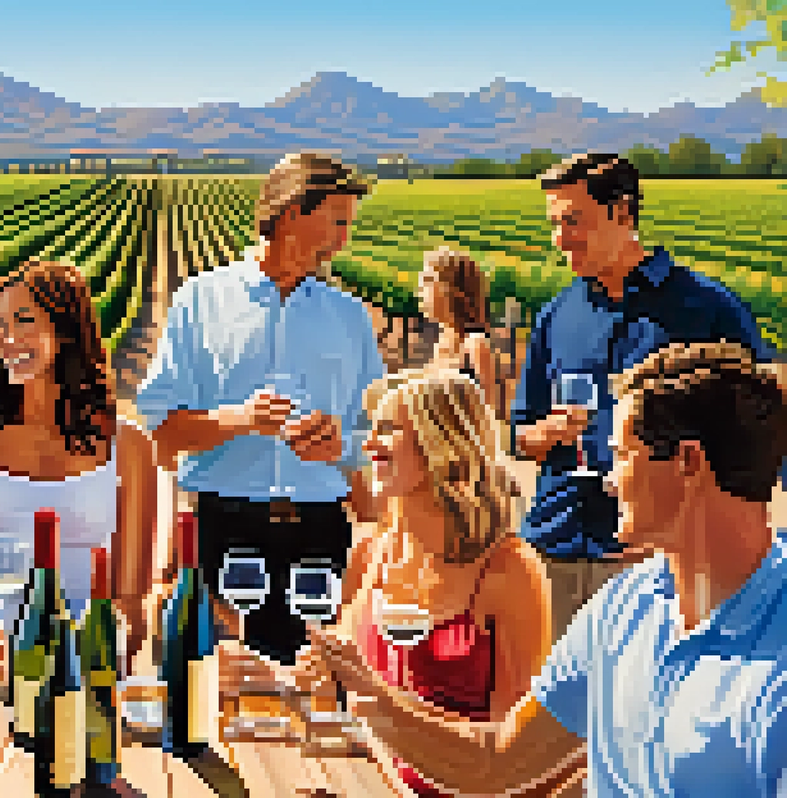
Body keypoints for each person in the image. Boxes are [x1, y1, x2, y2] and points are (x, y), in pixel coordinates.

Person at [310, 341, 787, 796]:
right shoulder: (623, 606)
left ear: (688, 462)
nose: (608, 479)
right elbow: (498, 761)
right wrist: (371, 700)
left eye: (621, 456)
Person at [224, 369, 549, 797]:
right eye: (370, 429)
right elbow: (333, 686)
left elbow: (518, 756)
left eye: (388, 429)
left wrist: (382, 707)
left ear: (443, 445)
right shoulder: (371, 553)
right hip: (366, 784)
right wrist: (273, 679)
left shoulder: (509, 570)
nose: (368, 445)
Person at [510, 153, 774, 641]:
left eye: (573, 221)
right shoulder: (555, 315)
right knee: (548, 712)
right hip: (556, 547)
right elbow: (520, 433)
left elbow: (764, 419)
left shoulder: (705, 308)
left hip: (654, 562)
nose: (559, 239)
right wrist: (545, 434)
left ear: (623, 213)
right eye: (553, 223)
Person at [135, 152, 386, 666]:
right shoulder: (200, 302)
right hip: (221, 532)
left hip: (319, 539)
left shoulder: (348, 315)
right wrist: (239, 420)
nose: (344, 240)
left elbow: (381, 435)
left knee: (315, 704)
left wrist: (343, 446)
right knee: (206, 698)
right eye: (337, 222)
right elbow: (160, 434)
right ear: (293, 212)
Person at [0, 260, 163, 667]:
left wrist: (89, 659)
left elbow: (132, 598)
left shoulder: (129, 446)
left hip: (86, 653)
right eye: (1, 324)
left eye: (24, 320)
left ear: (67, 331)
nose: (8, 338)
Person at [417, 247, 505, 419]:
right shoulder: (440, 344)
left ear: (453, 289)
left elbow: (491, 415)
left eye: (428, 280)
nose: (420, 289)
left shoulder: (475, 344)